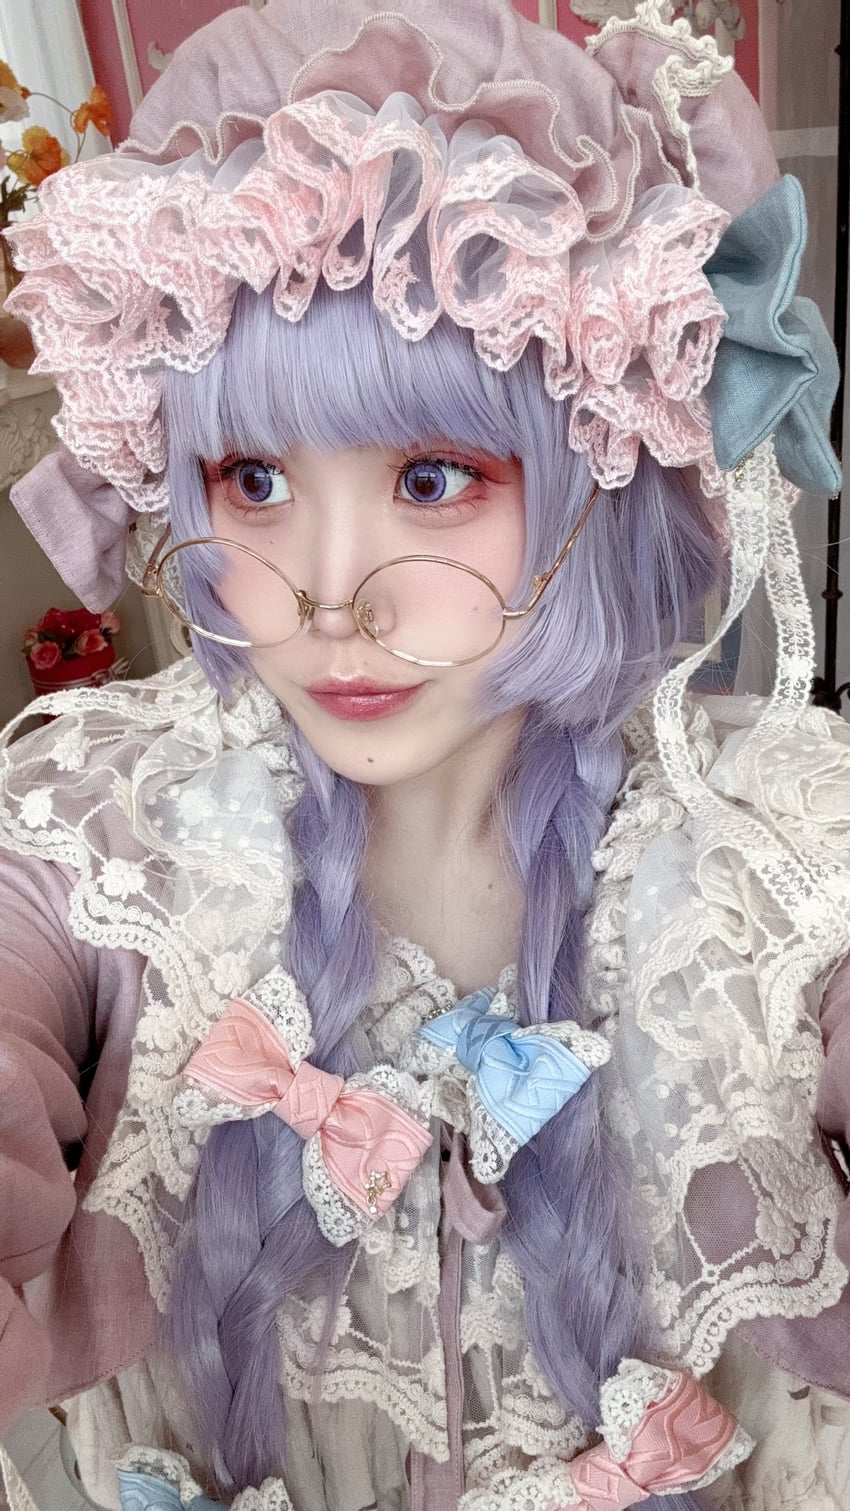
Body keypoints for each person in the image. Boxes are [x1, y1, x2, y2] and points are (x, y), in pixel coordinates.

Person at [0, 2, 848, 1508]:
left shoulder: (772, 857)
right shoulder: (103, 837)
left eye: (436, 476)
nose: (330, 598)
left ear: (607, 473)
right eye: (253, 480)